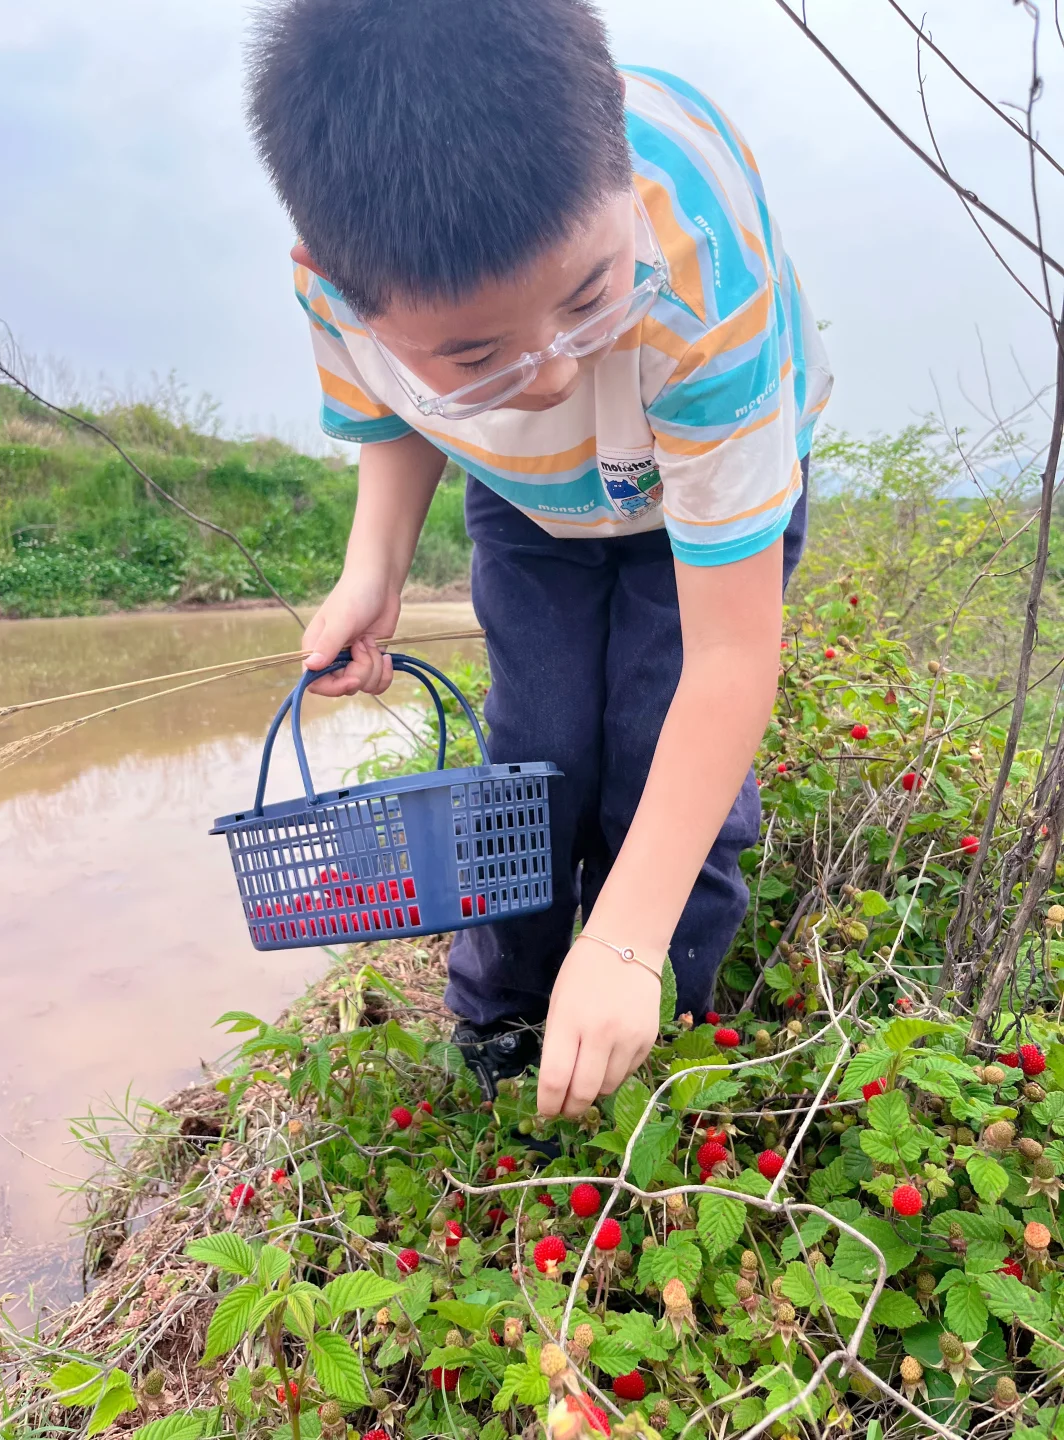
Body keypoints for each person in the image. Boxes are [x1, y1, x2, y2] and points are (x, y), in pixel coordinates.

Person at [246, 0, 832, 1119]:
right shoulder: (341, 287)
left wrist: (623, 941)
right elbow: (388, 402)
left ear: (615, 151)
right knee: (536, 746)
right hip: (533, 496)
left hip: (700, 493)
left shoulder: (702, 272)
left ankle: (661, 1020)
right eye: (476, 354)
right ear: (335, 282)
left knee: (654, 743)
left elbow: (729, 659)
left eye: (588, 296)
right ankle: (508, 1020)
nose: (555, 374)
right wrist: (374, 565)